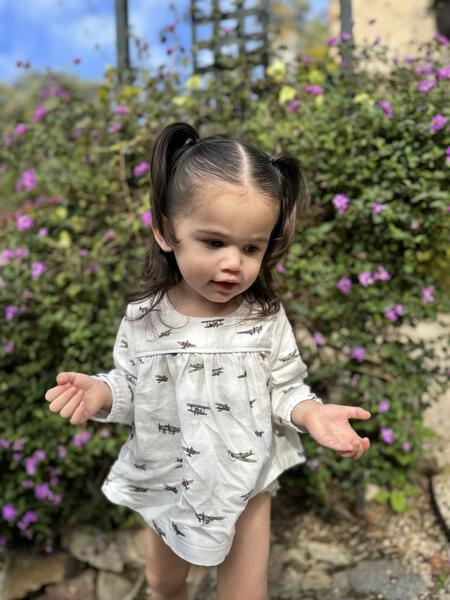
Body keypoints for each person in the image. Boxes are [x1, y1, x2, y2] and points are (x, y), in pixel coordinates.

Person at [44, 122, 371, 600]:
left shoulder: (263, 318)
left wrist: (313, 413)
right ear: (166, 232)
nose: (233, 263)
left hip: (246, 478)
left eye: (251, 247)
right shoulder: (145, 320)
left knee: (244, 592)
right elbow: (132, 385)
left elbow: (285, 387)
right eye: (214, 242)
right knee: (163, 582)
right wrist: (102, 392)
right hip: (169, 477)